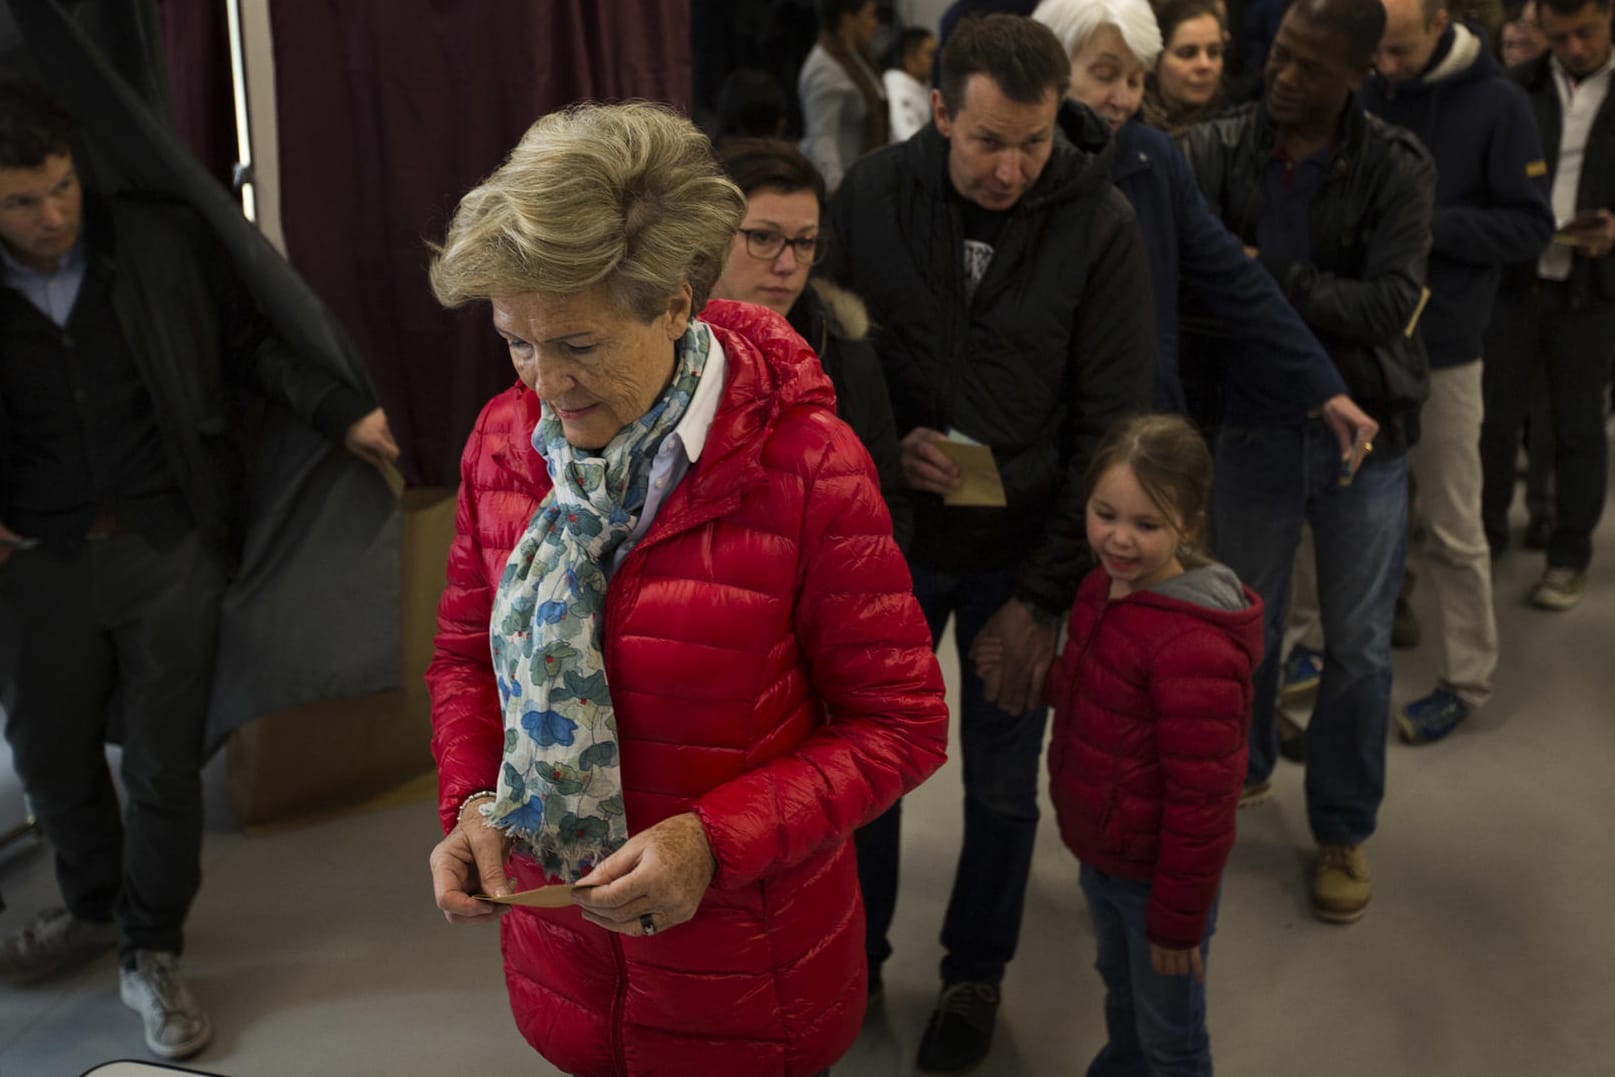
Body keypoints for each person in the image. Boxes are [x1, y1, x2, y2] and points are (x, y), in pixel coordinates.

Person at [423, 101, 948, 1077]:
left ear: (674, 301)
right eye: (516, 341)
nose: (543, 385)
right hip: (567, 963)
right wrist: (471, 802)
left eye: (577, 345)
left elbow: (903, 726)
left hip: (748, 979)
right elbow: (462, 658)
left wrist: (717, 842)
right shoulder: (504, 446)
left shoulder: (802, 466)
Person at [0, 81, 397, 1060]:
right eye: (21, 201)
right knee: (48, 758)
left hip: (164, 544)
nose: (52, 215)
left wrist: (341, 409)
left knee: (165, 764)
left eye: (61, 189)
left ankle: (150, 950)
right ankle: (94, 904)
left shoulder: (156, 245)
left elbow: (251, 348)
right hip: (36, 563)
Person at [823, 14, 1155, 1072]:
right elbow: (821, 364)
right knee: (865, 772)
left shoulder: (1099, 226)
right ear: (939, 114)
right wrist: (887, 450)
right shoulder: (871, 196)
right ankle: (854, 958)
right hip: (892, 545)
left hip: (1022, 549)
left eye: (1034, 140)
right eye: (987, 142)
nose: (1012, 167)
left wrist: (1044, 598)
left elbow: (1109, 426)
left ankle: (974, 974)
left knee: (1004, 787)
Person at [1181, 0, 1436, 923]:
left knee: (1359, 647)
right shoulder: (1212, 150)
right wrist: (1257, 284)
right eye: (1278, 57)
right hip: (1246, 428)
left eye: (1307, 68)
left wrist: (1264, 278)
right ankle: (1238, 776)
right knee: (1240, 630)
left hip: (1360, 441)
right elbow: (1192, 283)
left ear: (1357, 76)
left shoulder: (1396, 167)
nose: (1281, 77)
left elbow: (1391, 303)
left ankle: (1340, 824)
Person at [1038, 414, 1260, 1077]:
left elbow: (1203, 804)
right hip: (1103, 850)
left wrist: (1175, 920)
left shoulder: (1195, 646)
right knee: (1122, 993)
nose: (1118, 539)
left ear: (1188, 526)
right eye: (1104, 513)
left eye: (1146, 524)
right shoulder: (1097, 588)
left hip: (1156, 882)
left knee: (1172, 1036)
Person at [1032, 0, 1375, 428]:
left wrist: (1324, 384)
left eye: (1137, 80)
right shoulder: (1011, 168)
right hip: (1040, 426)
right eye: (1104, 76)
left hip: (1141, 426)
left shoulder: (1153, 159)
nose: (1123, 99)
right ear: (1053, 68)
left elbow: (1233, 274)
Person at [1362, 0, 1554, 740]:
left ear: (1438, 22)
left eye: (1399, 52)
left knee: (1451, 524)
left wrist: (1424, 220)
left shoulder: (1498, 103)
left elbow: (1530, 225)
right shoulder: (1369, 84)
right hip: (1363, 340)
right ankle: (1325, 654)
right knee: (1347, 513)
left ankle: (1466, 679)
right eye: (1375, 52)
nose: (1384, 67)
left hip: (1445, 349)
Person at [1480, 0, 1615, 610]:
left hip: (1592, 289)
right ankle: (1482, 538)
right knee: (1494, 420)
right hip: (1516, 281)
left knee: (1580, 426)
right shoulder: (1516, 90)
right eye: (1559, 38)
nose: (1575, 49)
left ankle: (1568, 555)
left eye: (1585, 34)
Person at [711, 138, 911, 549]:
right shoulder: (658, 351)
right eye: (763, 238)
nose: (787, 265)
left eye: (804, 243)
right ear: (710, 235)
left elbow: (890, 503)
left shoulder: (843, 350)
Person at [799, 0, 890, 192]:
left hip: (863, 176)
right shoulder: (825, 70)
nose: (875, 23)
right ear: (848, 20)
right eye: (870, 15)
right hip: (843, 183)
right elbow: (822, 136)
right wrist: (836, 186)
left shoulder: (857, 57)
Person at [1145, 0, 1231, 136]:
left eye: (1213, 52)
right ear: (1155, 60)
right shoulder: (1128, 128)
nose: (1205, 65)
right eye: (1187, 53)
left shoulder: (1236, 130)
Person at [885, 27, 940, 140]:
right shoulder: (898, 91)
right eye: (931, 55)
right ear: (909, 58)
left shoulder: (919, 86)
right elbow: (908, 138)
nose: (937, 61)